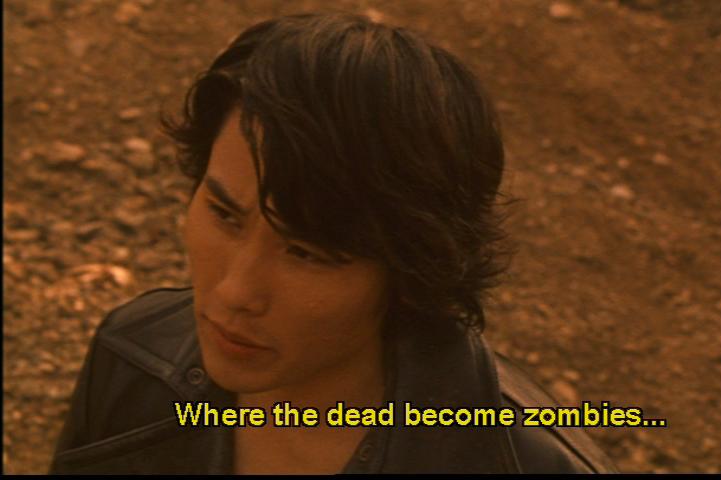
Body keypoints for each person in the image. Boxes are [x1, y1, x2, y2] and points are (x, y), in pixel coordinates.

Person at [48, 13, 618, 474]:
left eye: (306, 253)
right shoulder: (133, 358)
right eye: (224, 215)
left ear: (408, 270)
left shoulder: (523, 462)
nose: (235, 292)